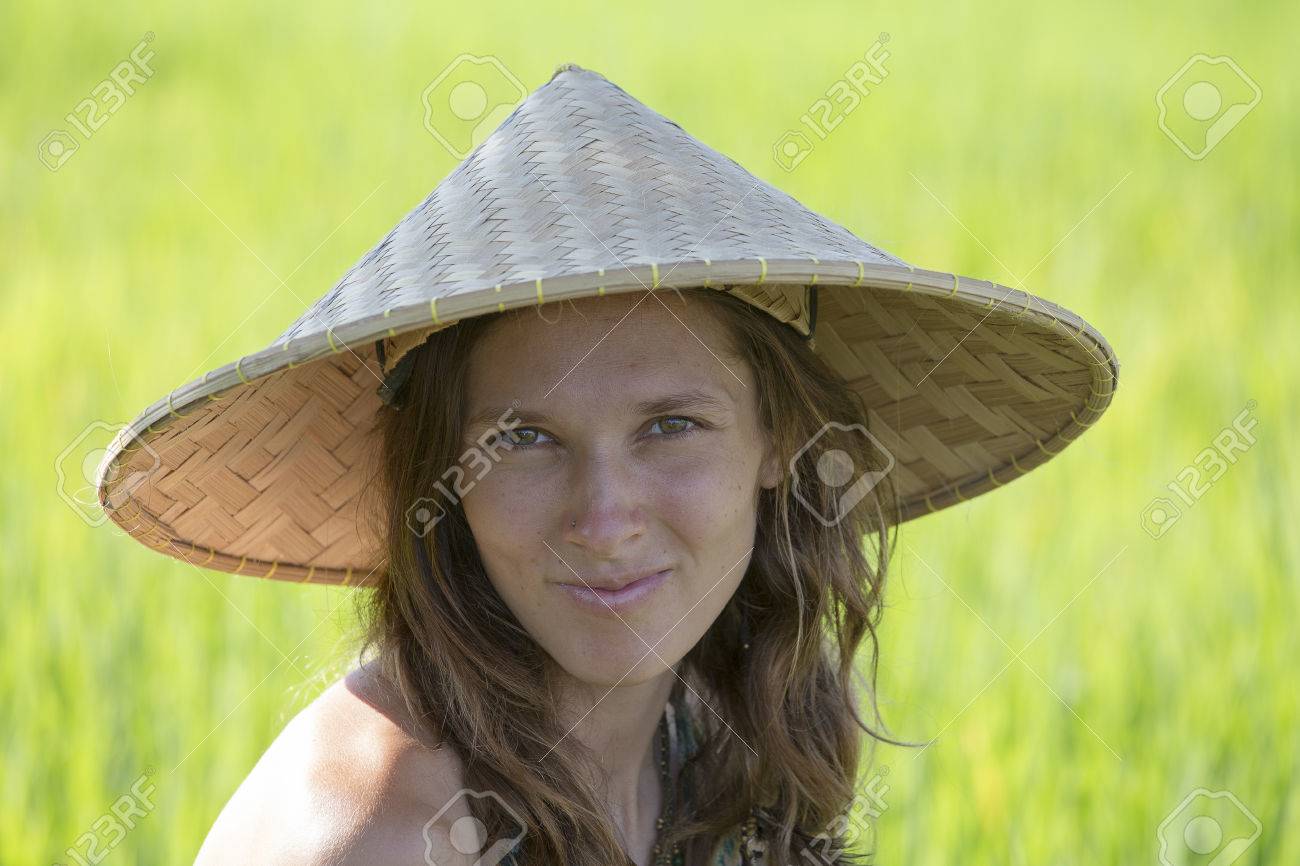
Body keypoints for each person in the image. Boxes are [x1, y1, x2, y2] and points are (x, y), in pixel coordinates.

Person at [99, 63, 1117, 865]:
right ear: (439, 478)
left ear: (777, 440)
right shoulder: (376, 838)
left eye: (671, 425)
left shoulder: (707, 734)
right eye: (523, 439)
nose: (604, 515)